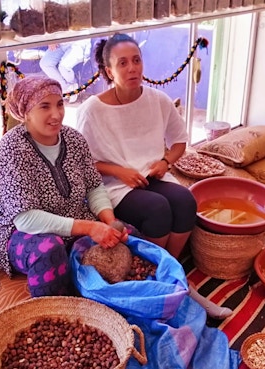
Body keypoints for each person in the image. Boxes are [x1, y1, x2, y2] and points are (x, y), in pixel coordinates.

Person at [76, 32, 232, 319]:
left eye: (136, 60)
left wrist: (165, 161)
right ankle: (167, 280)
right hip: (114, 186)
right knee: (159, 210)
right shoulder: (92, 110)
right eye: (122, 63)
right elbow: (83, 161)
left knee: (185, 200)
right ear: (109, 71)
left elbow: (179, 143)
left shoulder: (157, 100)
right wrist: (119, 171)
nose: (132, 68)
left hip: (153, 176)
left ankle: (169, 272)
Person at [0, 76, 128, 297]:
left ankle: (112, 307)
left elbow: (94, 187)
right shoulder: (11, 149)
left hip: (70, 214)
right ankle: (54, 316)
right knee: (49, 250)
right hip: (11, 228)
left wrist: (109, 222)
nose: (56, 114)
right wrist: (90, 228)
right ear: (26, 112)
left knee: (127, 233)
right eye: (44, 106)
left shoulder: (74, 139)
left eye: (59, 104)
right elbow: (25, 219)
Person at [39, 39, 91, 103]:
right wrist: (51, 40)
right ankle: (66, 88)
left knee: (63, 67)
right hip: (60, 43)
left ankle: (73, 86)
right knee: (45, 63)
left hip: (77, 43)